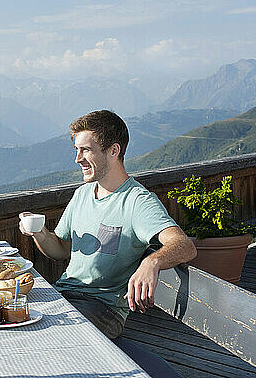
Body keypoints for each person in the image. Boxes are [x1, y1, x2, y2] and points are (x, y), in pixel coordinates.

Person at [19, 110, 197, 340]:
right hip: (64, 295)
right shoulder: (82, 194)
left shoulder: (137, 201)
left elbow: (184, 245)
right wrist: (40, 233)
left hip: (103, 309)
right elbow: (61, 249)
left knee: (40, 338)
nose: (77, 159)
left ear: (114, 151)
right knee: (9, 318)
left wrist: (152, 261)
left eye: (86, 150)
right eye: (77, 150)